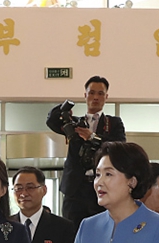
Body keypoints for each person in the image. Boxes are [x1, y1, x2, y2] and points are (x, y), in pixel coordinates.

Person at [47, 75, 126, 224]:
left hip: (102, 186)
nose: (95, 97)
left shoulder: (113, 122)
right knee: (71, 230)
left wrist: (92, 137)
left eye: (100, 93)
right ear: (85, 95)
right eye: (91, 93)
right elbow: (51, 120)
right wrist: (65, 107)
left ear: (106, 97)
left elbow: (119, 146)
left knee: (102, 228)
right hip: (75, 187)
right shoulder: (75, 123)